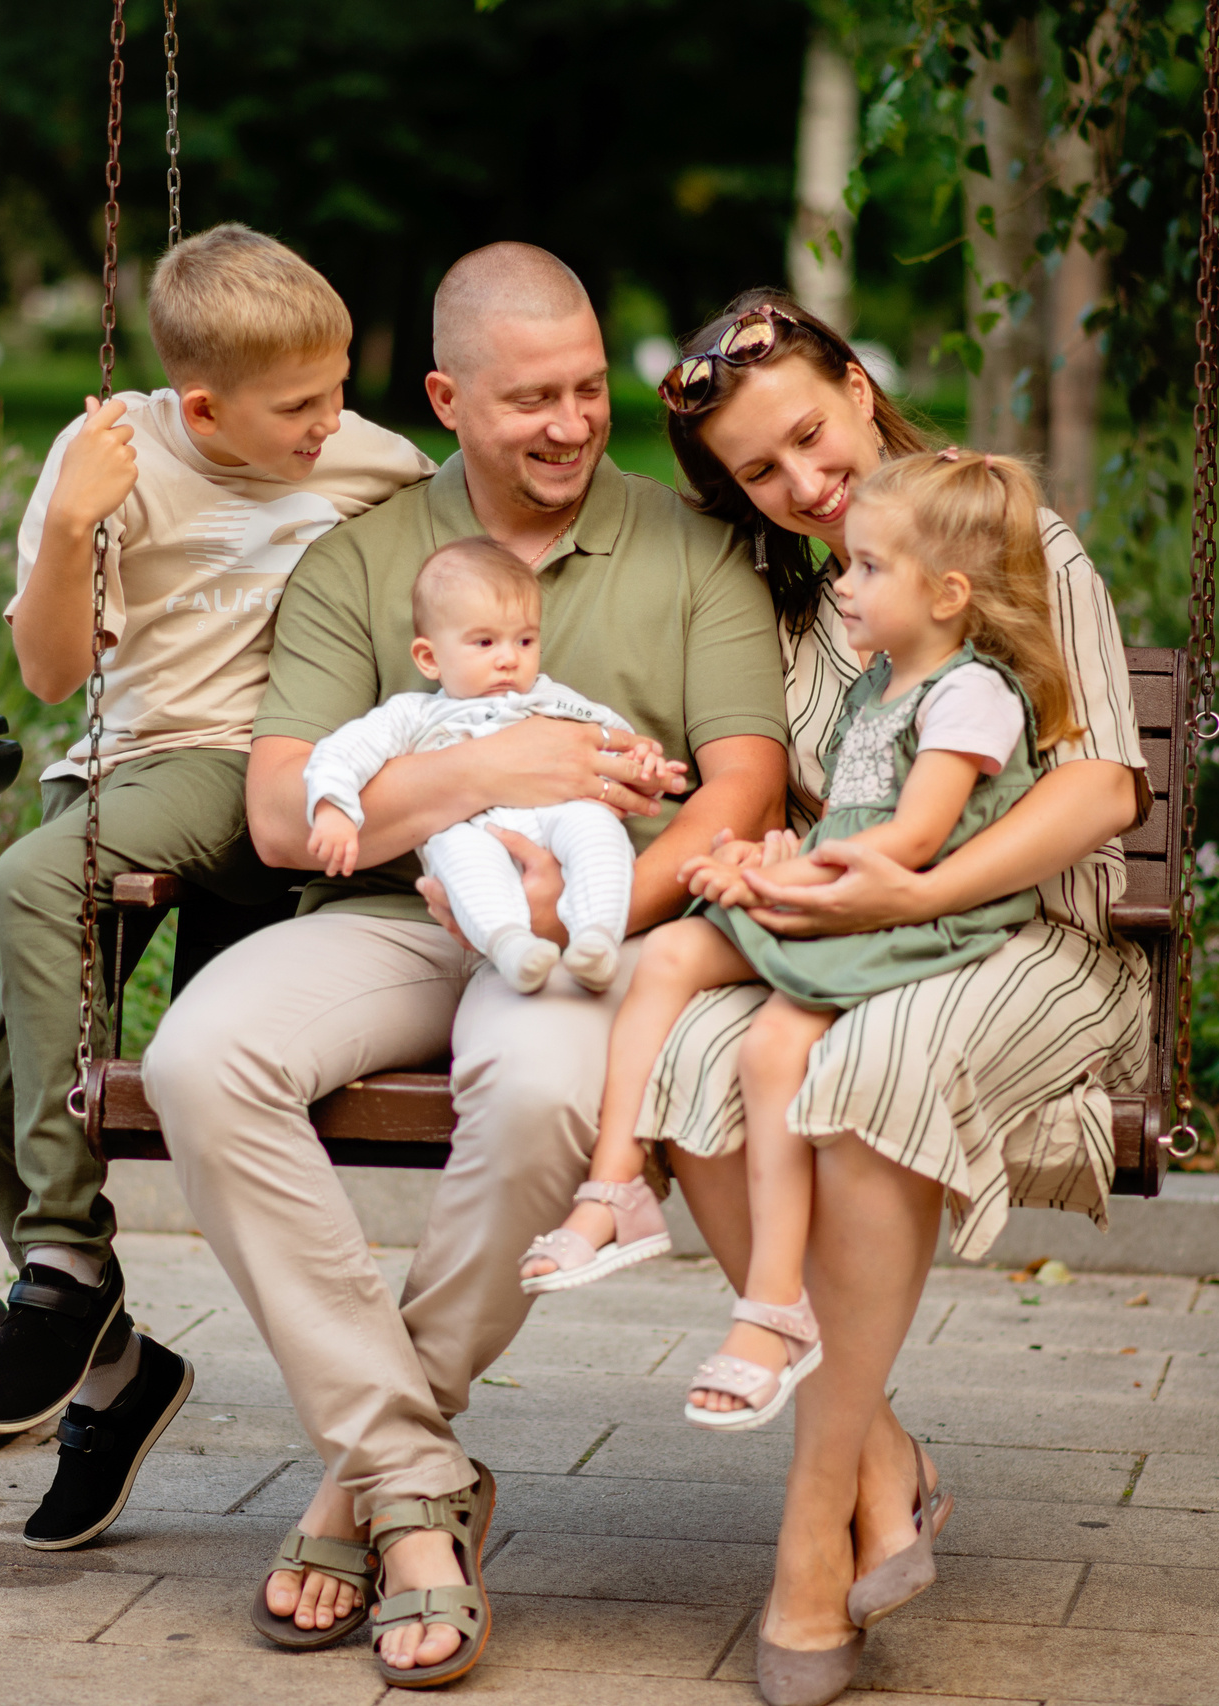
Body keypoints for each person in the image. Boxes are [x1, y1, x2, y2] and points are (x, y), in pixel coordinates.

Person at [140, 241, 789, 1686]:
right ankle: (419, 1474)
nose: (569, 424)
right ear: (445, 397)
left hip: (595, 926)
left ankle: (379, 1490)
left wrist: (577, 887)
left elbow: (742, 789)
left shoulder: (694, 551)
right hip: (393, 913)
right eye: (529, 400)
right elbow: (281, 814)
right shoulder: (366, 558)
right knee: (198, 1055)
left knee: (550, 1091)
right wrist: (496, 771)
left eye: (588, 389)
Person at [621, 291, 1151, 1706]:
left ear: (859, 387)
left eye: (808, 433)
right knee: (687, 1056)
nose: (804, 483)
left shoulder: (997, 537)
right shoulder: (798, 601)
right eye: (760, 471)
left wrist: (916, 892)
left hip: (1030, 941)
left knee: (867, 1073)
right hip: (855, 942)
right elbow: (804, 799)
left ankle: (814, 1528)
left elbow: (1102, 783)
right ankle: (883, 1462)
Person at [0, 223, 433, 1550]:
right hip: (115, 766)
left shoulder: (371, 458)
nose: (332, 423)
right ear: (203, 402)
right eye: (301, 406)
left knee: (39, 874)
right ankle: (116, 1367)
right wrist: (65, 525)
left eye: (339, 389)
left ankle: (59, 1261)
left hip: (245, 767)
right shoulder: (112, 454)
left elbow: (465, 527)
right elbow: (49, 676)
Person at [521, 449, 1085, 1440]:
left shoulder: (970, 694)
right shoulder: (881, 681)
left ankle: (773, 1307)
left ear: (950, 594)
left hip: (907, 913)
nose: (846, 582)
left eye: (869, 568)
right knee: (670, 957)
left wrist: (775, 879)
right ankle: (613, 1189)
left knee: (771, 1048)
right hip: (840, 885)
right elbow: (847, 819)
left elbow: (910, 840)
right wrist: (769, 853)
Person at [304, 537, 677, 993]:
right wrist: (333, 808)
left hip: (557, 812)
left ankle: (597, 936)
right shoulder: (414, 716)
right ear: (429, 657)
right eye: (484, 642)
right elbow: (345, 751)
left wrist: (646, 768)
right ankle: (512, 946)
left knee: (598, 829)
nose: (508, 658)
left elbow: (614, 744)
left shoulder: (553, 699)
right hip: (471, 827)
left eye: (525, 640)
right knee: (458, 856)